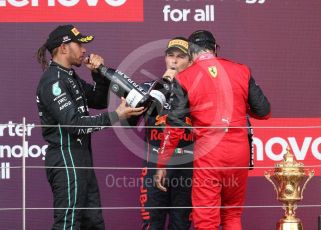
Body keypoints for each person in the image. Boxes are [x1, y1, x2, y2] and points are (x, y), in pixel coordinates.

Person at [154, 30, 271, 230]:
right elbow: (264, 111)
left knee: (206, 221)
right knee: (232, 215)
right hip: (239, 154)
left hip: (209, 156)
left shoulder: (185, 78)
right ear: (215, 49)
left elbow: (174, 126)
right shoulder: (241, 70)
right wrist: (240, 103)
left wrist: (162, 163)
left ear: (190, 54)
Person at [35, 24, 145, 230]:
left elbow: (98, 100)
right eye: (80, 44)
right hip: (66, 158)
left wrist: (97, 75)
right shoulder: (53, 81)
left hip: (81, 159)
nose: (84, 50)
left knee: (93, 223)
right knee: (67, 224)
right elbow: (74, 124)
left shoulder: (68, 76)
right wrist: (116, 116)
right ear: (64, 47)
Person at [123, 37, 194, 230]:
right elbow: (127, 124)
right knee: (152, 225)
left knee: (181, 226)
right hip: (154, 167)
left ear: (190, 61)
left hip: (187, 169)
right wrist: (162, 86)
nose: (174, 61)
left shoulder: (197, 91)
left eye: (180, 57)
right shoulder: (149, 88)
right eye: (170, 56)